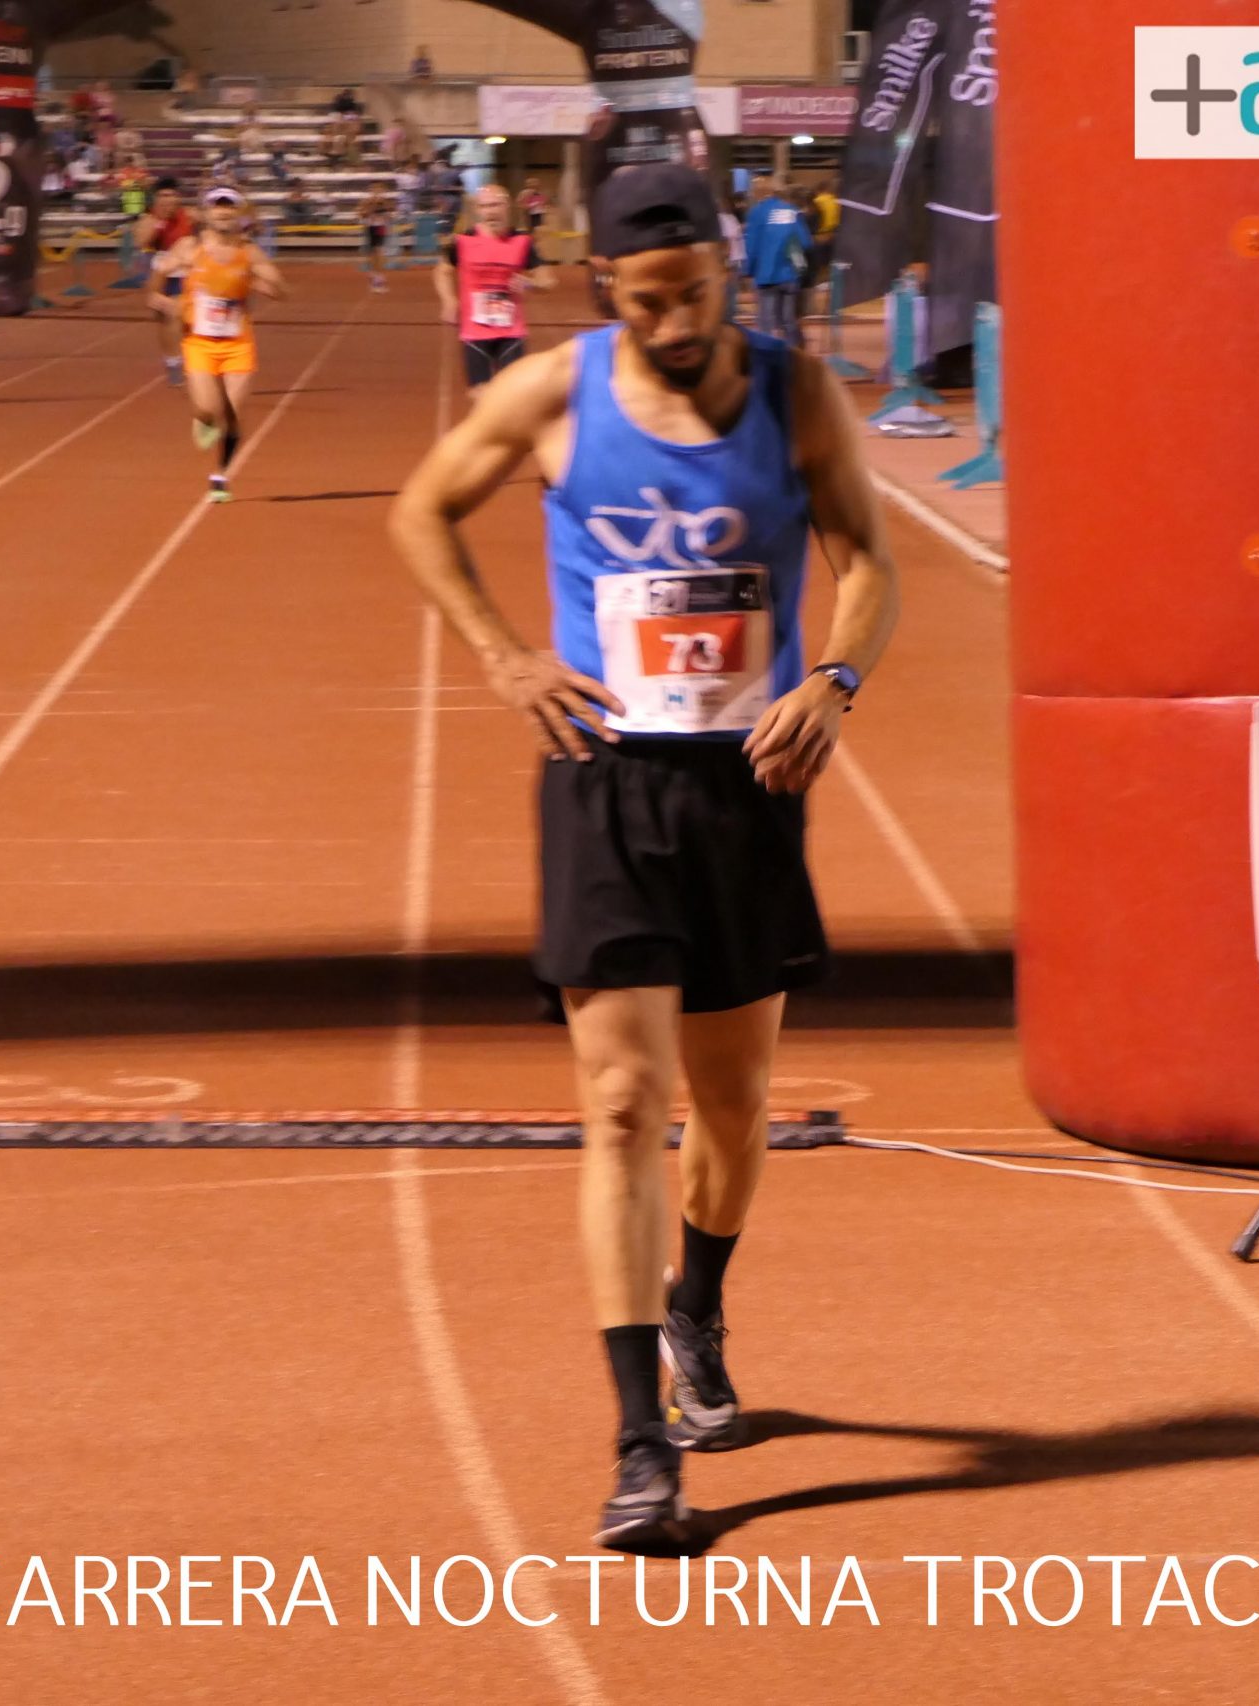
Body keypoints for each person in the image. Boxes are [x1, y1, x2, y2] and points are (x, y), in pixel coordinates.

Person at [386, 164, 900, 1552]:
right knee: (621, 1101)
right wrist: (504, 655)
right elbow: (420, 510)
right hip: (604, 780)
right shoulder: (550, 394)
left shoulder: (796, 394)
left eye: (697, 295)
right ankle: (637, 1446)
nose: (675, 323)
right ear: (603, 284)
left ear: (729, 269)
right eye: (648, 300)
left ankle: (698, 1304)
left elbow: (866, 560)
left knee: (731, 1102)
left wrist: (834, 679)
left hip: (746, 783)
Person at [150, 185, 283, 505]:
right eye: (217, 205)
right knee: (208, 410)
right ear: (206, 212)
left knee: (233, 414)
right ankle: (204, 418)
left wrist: (261, 282)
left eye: (229, 206)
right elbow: (159, 274)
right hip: (200, 342)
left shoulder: (249, 252)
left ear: (238, 213)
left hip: (238, 343)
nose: (223, 211)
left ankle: (220, 475)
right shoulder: (189, 248)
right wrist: (159, 298)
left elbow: (280, 289)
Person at [437, 184, 551, 396]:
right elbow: (442, 272)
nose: (490, 211)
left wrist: (529, 283)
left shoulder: (523, 242)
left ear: (506, 206)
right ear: (478, 210)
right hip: (475, 332)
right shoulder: (463, 241)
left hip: (511, 332)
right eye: (485, 206)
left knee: (512, 395)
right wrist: (449, 300)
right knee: (480, 395)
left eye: (495, 205)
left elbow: (548, 281)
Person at [137, 179, 195, 384]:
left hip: (184, 271)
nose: (168, 200)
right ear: (156, 198)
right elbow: (141, 241)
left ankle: (186, 361)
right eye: (163, 195)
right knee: (165, 320)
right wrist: (160, 222)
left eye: (171, 195)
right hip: (159, 273)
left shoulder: (189, 215)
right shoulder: (149, 219)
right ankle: (172, 362)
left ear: (178, 197)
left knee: (180, 316)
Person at [741, 179, 809, 349]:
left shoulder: (757, 212)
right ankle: (794, 356)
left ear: (757, 193)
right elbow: (806, 242)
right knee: (788, 320)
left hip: (767, 275)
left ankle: (767, 358)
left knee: (767, 323)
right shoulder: (791, 210)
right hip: (790, 274)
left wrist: (748, 271)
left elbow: (752, 246)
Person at [358, 184, 394, 293]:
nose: (378, 193)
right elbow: (361, 214)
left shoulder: (385, 202)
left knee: (379, 251)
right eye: (375, 191)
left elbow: (390, 215)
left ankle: (378, 275)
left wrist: (386, 213)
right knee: (374, 252)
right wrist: (372, 207)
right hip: (371, 227)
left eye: (380, 191)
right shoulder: (367, 202)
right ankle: (375, 275)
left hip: (380, 227)